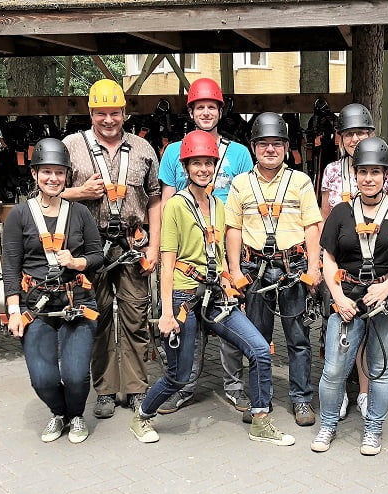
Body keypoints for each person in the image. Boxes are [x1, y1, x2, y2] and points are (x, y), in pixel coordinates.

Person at [131, 130, 294, 447]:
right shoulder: (176, 206)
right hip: (184, 297)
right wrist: (166, 313)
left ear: (215, 166)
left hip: (215, 296)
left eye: (208, 163)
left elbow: (217, 258)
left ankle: (260, 420)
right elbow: (167, 260)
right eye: (197, 164)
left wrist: (230, 284)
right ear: (187, 167)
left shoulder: (219, 207)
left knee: (260, 350)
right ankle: (142, 416)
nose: (203, 169)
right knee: (178, 375)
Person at [312, 137, 388, 456]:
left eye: (376, 171)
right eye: (363, 172)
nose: (369, 178)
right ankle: (328, 424)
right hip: (347, 297)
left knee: (380, 368)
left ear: (387, 175)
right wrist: (338, 297)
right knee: (334, 368)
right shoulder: (342, 212)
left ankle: (373, 429)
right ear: (355, 174)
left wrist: (385, 289)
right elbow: (328, 256)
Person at [62, 79, 161, 419]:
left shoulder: (143, 149)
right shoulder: (71, 147)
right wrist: (79, 193)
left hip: (132, 244)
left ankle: (136, 388)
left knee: (135, 317)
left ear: (124, 113)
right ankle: (104, 389)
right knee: (99, 318)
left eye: (114, 113)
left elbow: (155, 200)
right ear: (91, 113)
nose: (108, 120)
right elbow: (47, 194)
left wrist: (155, 247)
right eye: (101, 113)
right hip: (90, 247)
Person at [156, 77, 255, 416]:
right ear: (192, 111)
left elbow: (244, 201)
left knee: (228, 316)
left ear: (220, 110)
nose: (207, 112)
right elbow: (167, 201)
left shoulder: (238, 153)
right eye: (201, 106)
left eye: (212, 106)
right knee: (189, 328)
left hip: (225, 242)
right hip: (187, 245)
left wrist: (237, 259)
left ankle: (234, 386)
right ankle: (183, 385)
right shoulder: (174, 152)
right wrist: (160, 249)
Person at [225, 112, 322, 426]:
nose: (270, 149)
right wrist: (235, 270)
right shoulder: (241, 184)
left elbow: (311, 226)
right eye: (264, 144)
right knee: (256, 339)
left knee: (298, 338)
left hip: (293, 266)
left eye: (276, 144)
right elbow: (233, 229)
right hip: (254, 268)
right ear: (253, 147)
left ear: (286, 146)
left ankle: (301, 399)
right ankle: (259, 401)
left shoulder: (300, 181)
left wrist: (315, 267)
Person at [4, 138, 104, 443]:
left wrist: (77, 262)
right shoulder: (19, 216)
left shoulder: (80, 214)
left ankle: (75, 416)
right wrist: (13, 311)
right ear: (35, 174)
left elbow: (98, 255)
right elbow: (10, 266)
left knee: (75, 374)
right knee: (43, 378)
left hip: (76, 300)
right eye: (46, 171)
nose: (53, 178)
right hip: (35, 304)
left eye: (59, 172)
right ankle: (58, 412)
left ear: (66, 175)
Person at [319, 103, 388, 419]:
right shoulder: (331, 170)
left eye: (361, 132)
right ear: (340, 138)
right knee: (339, 332)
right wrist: (322, 260)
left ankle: (366, 392)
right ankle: (339, 392)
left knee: (372, 333)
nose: (354, 139)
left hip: (377, 264)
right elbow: (326, 217)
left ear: (371, 134)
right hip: (341, 266)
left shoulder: (387, 166)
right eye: (349, 133)